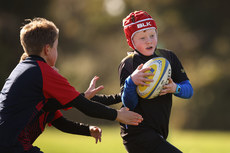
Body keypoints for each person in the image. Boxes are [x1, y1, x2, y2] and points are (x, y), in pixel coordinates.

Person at [0, 17, 143, 153]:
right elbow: (84, 106)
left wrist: (87, 128)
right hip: (12, 146)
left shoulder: (24, 70)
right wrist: (118, 115)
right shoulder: (42, 72)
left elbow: (61, 121)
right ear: (47, 49)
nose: (57, 51)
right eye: (56, 47)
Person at [118, 10, 193, 153]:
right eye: (142, 38)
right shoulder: (128, 64)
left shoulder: (168, 57)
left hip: (159, 132)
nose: (149, 40)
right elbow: (129, 104)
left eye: (152, 35)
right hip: (137, 133)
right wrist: (131, 82)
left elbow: (189, 90)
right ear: (131, 41)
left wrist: (175, 88)